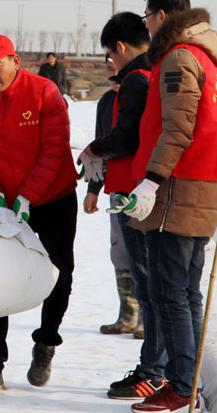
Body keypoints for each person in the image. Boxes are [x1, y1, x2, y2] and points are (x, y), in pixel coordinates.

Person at [114, 0, 217, 413]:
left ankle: (181, 385)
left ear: (161, 16)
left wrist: (150, 180)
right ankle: (188, 379)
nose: (146, 24)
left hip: (178, 186)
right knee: (186, 291)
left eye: (147, 16)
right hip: (202, 182)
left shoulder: (179, 58)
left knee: (169, 293)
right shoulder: (209, 58)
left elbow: (177, 129)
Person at [0, 33, 78, 393]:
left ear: (14, 61)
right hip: (7, 203)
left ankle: (45, 342)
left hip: (54, 197)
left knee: (58, 273)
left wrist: (28, 196)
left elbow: (55, 149)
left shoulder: (44, 92)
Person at [80, 12, 168, 401]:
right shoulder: (155, 73)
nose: (110, 63)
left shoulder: (136, 79)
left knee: (151, 286)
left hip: (135, 191)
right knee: (152, 283)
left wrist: (92, 150)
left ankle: (155, 372)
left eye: (110, 55)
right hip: (139, 188)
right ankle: (159, 368)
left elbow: (124, 138)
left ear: (119, 47)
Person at [80, 52, 142, 339]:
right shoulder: (106, 102)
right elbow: (100, 146)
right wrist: (93, 189)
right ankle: (127, 315)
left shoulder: (141, 94)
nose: (113, 72)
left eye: (116, 65)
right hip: (116, 186)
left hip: (141, 186)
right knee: (120, 250)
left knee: (143, 253)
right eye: (108, 67)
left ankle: (145, 318)